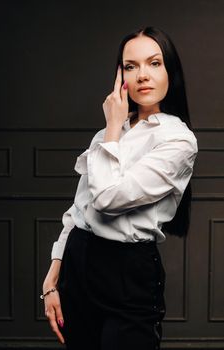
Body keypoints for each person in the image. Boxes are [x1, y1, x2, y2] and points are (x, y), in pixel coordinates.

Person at [41, 26, 198, 350]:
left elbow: (107, 200)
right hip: (78, 262)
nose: (143, 75)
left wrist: (112, 127)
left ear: (171, 71)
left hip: (127, 274)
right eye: (131, 66)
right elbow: (79, 210)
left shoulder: (178, 139)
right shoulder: (108, 133)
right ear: (120, 76)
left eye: (154, 63)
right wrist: (53, 275)